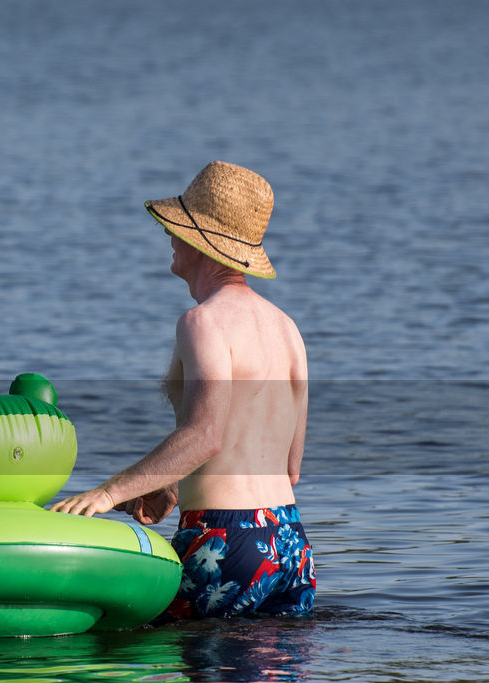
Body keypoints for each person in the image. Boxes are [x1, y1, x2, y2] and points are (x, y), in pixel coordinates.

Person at [50, 161, 314, 618]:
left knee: (168, 666)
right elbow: (287, 467)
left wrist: (109, 493)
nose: (169, 237)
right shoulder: (287, 329)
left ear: (203, 243)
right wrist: (171, 487)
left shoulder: (203, 322)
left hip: (224, 539)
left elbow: (205, 435)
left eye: (178, 228)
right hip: (289, 543)